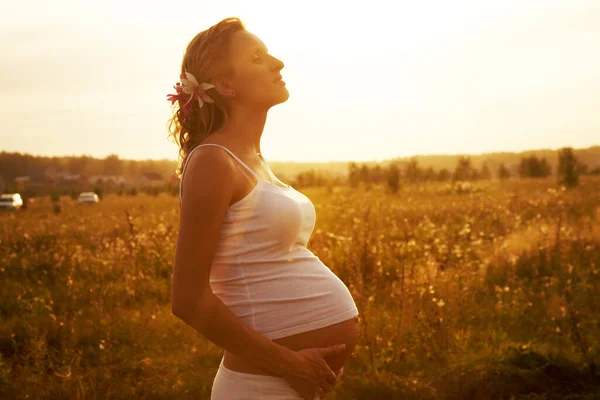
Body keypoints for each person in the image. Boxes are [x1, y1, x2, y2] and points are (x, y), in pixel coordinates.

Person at [168, 17, 360, 400]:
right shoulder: (212, 161)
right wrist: (291, 364)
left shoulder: (252, 158)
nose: (278, 63)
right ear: (225, 85)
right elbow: (187, 299)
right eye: (258, 57)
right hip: (262, 386)